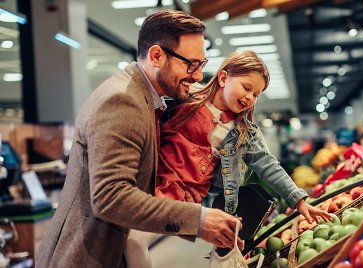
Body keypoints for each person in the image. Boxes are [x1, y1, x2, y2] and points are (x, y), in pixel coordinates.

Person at [36, 10, 242, 268]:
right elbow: (110, 197)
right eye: (191, 64)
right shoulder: (123, 102)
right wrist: (198, 220)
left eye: (201, 64)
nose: (198, 75)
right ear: (157, 56)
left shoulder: (146, 100)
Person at [125, 50, 331, 267]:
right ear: (223, 78)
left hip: (194, 203)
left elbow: (269, 165)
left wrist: (299, 200)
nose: (250, 98)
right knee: (133, 239)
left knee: (146, 243)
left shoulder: (244, 133)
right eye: (246, 88)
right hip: (154, 185)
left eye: (256, 94)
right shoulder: (184, 102)